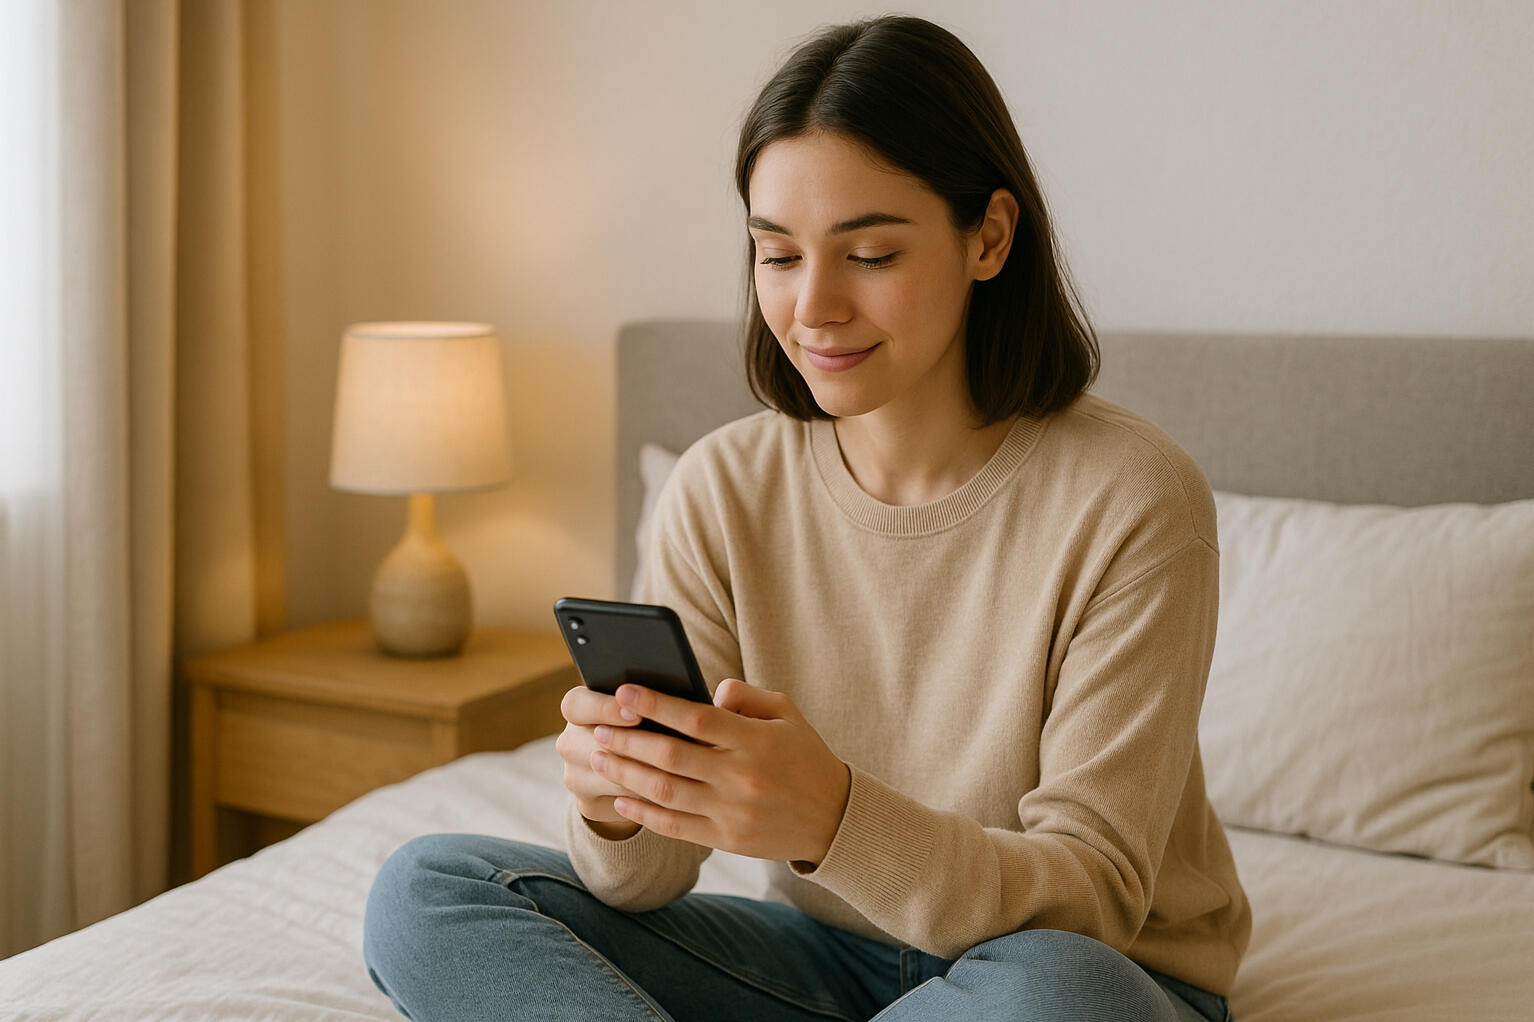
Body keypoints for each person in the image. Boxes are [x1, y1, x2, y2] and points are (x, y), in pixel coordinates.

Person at [363, 15, 1250, 1021]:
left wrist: (833, 815)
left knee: (1063, 993)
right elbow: (646, 880)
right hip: (827, 957)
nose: (812, 305)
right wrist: (616, 807)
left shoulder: (1132, 495)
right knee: (428, 888)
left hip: (1067, 972)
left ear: (989, 237)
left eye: (868, 252)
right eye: (776, 254)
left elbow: (1092, 895)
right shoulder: (721, 488)